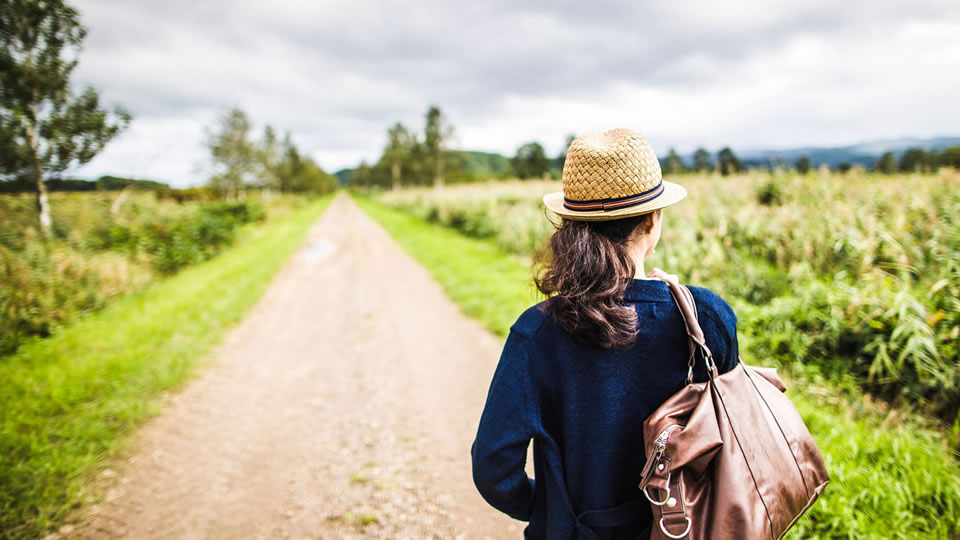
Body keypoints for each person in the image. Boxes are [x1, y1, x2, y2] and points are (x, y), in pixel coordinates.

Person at [470, 128, 740, 539]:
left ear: (572, 225)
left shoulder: (536, 333)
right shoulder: (706, 318)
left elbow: (493, 468)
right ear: (653, 221)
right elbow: (733, 436)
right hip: (685, 528)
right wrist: (683, 304)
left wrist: (545, 509)